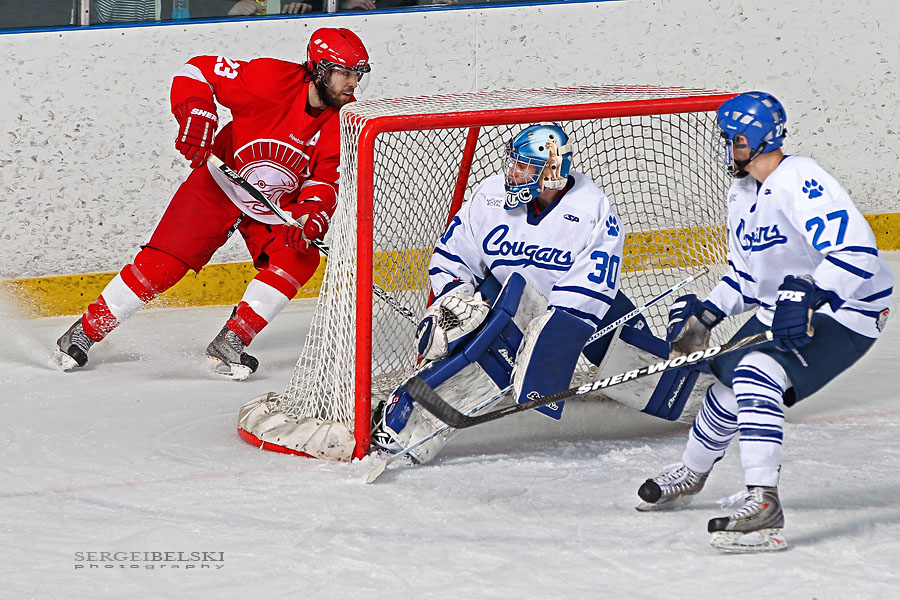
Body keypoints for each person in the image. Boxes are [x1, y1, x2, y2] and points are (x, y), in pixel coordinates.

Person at [635, 91, 894, 552]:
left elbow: (857, 253)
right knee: (727, 390)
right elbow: (745, 278)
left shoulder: (803, 179)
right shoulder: (742, 193)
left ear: (755, 140)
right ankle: (692, 473)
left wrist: (813, 292)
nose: (727, 148)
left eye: (733, 140)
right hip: (788, 308)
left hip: (849, 310)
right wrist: (707, 315)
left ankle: (764, 504)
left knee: (757, 375)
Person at [55, 27, 372, 380]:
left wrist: (313, 214)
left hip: (274, 203)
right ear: (318, 69)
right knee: (163, 266)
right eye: (345, 73)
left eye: (357, 75)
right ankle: (84, 331)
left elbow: (326, 178)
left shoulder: (347, 119)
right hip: (221, 181)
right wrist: (198, 109)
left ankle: (231, 341)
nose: (352, 84)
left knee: (300, 256)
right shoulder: (269, 80)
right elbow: (196, 71)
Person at [370, 123, 649, 463]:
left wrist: (552, 333)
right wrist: (454, 300)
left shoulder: (590, 207)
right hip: (507, 297)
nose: (512, 173)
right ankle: (410, 425)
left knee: (653, 380)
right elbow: (453, 255)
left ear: (551, 172)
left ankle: (705, 394)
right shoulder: (489, 195)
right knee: (485, 351)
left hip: (584, 310)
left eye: (524, 166)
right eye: (513, 162)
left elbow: (593, 283)